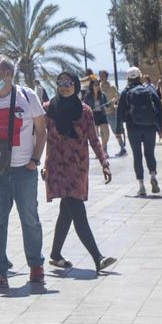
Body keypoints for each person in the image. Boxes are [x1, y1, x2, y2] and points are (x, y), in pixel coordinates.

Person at [0, 54, 48, 290]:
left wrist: (35, 160)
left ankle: (36, 266)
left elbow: (41, 129)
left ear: (8, 74)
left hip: (23, 169)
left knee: (30, 218)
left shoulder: (28, 96)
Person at [42, 72, 116, 273]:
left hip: (77, 167)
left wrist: (104, 162)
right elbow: (42, 138)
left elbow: (93, 139)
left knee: (67, 211)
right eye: (60, 83)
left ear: (75, 85)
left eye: (68, 83)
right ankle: (98, 257)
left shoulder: (85, 111)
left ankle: (55, 255)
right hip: (57, 167)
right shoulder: (48, 109)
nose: (64, 86)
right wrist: (40, 162)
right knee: (76, 210)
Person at [117, 67, 162, 195]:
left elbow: (120, 111)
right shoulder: (148, 89)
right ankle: (153, 176)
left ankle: (141, 186)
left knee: (137, 156)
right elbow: (158, 106)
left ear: (128, 78)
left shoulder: (126, 92)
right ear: (140, 76)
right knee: (150, 153)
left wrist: (118, 129)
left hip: (133, 128)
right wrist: (159, 127)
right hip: (149, 127)